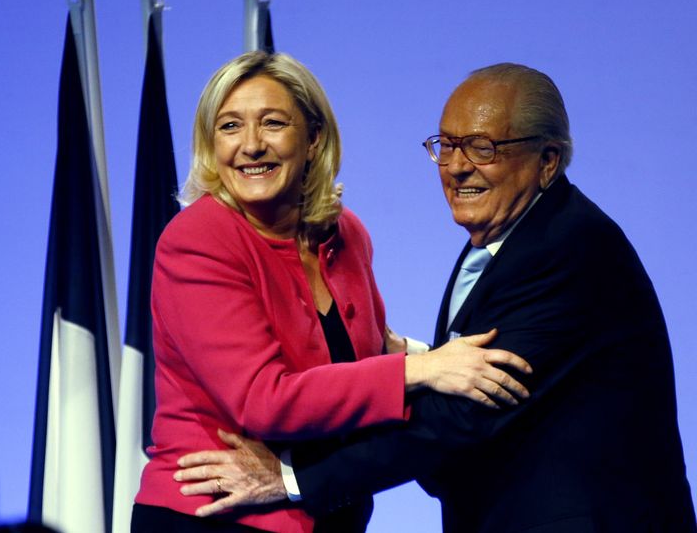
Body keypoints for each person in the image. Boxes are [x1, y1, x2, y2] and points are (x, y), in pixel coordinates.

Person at [175, 63, 697, 532]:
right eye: (445, 145)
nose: (457, 166)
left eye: (483, 147)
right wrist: (419, 358)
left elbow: (462, 414)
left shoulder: (570, 249)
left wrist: (292, 478)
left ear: (548, 161)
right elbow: (478, 362)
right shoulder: (508, 238)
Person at [131, 52, 533, 533]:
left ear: (313, 137)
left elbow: (366, 358)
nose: (251, 145)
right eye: (230, 127)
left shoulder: (347, 234)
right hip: (214, 514)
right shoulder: (197, 239)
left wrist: (433, 360)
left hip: (329, 513)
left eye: (273, 123)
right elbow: (265, 401)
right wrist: (422, 370)